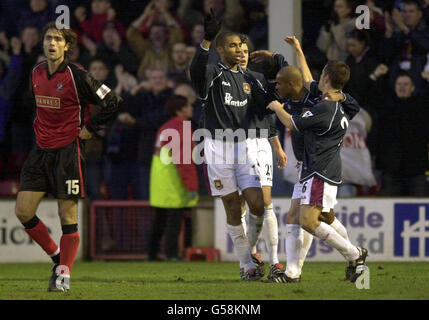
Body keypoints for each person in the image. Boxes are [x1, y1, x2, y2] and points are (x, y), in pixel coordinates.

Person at [14, 22, 121, 292]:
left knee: (66, 214)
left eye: (57, 40)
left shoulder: (79, 76)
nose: (52, 43)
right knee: (23, 212)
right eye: (48, 38)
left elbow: (114, 102)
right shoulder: (36, 72)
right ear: (43, 43)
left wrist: (91, 128)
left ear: (67, 46)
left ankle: (64, 274)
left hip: (67, 152)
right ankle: (56, 257)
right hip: (40, 152)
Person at [251, 36, 359, 282]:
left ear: (291, 84)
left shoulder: (320, 102)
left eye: (280, 83)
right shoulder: (311, 94)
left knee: (315, 219)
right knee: (297, 217)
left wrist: (278, 107)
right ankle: (293, 272)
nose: (276, 87)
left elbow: (306, 87)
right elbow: (306, 75)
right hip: (308, 165)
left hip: (319, 166)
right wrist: (295, 49)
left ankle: (354, 255)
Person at [190, 10, 265, 281]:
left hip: (244, 147)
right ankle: (246, 265)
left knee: (258, 205)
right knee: (233, 207)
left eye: (241, 46)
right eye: (232, 45)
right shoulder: (212, 73)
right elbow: (195, 71)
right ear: (221, 49)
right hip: (217, 147)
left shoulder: (248, 78)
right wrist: (206, 40)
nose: (238, 50)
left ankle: (254, 249)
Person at [237, 34, 288, 280]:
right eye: (238, 51)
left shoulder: (256, 79)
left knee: (265, 202)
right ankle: (251, 255)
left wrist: (276, 145)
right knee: (241, 206)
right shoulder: (219, 80)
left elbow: (270, 112)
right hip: (231, 145)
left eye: (245, 51)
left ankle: (275, 261)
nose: (242, 54)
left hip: (259, 144)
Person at [148, 94, 199, 261]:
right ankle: (172, 254)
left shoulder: (166, 126)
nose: (191, 108)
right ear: (180, 110)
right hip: (173, 179)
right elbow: (184, 160)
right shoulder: (181, 127)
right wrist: (191, 186)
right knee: (174, 219)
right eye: (188, 106)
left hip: (159, 176)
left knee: (160, 219)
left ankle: (152, 254)